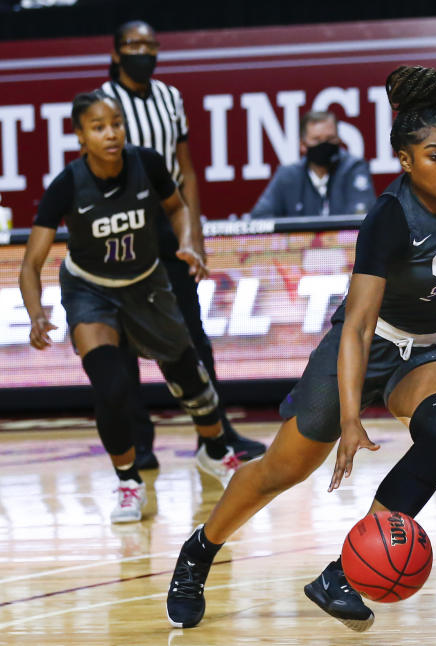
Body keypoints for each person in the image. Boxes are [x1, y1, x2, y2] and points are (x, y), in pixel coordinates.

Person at [165, 65, 436, 631]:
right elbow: (357, 328)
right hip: (368, 345)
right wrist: (350, 419)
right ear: (405, 161)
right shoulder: (389, 219)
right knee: (284, 468)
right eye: (435, 157)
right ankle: (199, 550)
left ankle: (342, 575)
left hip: (431, 350)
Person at [18, 91, 239, 524]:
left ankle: (214, 450)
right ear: (80, 136)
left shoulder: (148, 163)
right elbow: (30, 264)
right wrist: (37, 313)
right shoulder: (67, 185)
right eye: (98, 127)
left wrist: (190, 243)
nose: (111, 133)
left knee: (187, 377)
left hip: (146, 284)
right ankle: (128, 481)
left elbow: (177, 209)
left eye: (116, 123)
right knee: (112, 388)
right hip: (90, 291)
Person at [101, 20, 266, 469]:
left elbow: (187, 171)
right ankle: (139, 445)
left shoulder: (170, 98)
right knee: (122, 342)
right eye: (134, 45)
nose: (144, 51)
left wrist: (194, 235)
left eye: (150, 45)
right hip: (121, 227)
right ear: (117, 54)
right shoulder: (102, 103)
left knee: (193, 336)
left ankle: (215, 438)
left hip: (168, 226)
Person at [250, 111, 376, 218]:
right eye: (316, 140)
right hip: (299, 246)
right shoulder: (288, 176)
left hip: (346, 245)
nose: (324, 145)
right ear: (303, 145)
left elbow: (363, 217)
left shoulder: (354, 168)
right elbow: (260, 218)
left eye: (330, 139)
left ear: (339, 140)